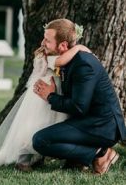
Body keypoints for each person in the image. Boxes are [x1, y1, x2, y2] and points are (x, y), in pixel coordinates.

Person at [32, 19, 126, 174]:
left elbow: (78, 107)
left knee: (40, 140)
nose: (42, 43)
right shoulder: (69, 58)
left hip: (102, 126)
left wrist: (50, 96)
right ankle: (79, 158)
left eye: (47, 40)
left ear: (62, 46)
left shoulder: (83, 64)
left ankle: (101, 154)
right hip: (88, 121)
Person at [0, 43, 91, 171]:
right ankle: (23, 161)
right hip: (44, 93)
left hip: (46, 91)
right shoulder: (48, 57)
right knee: (36, 124)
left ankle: (38, 157)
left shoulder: (47, 55)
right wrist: (78, 48)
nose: (44, 42)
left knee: (47, 124)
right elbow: (61, 61)